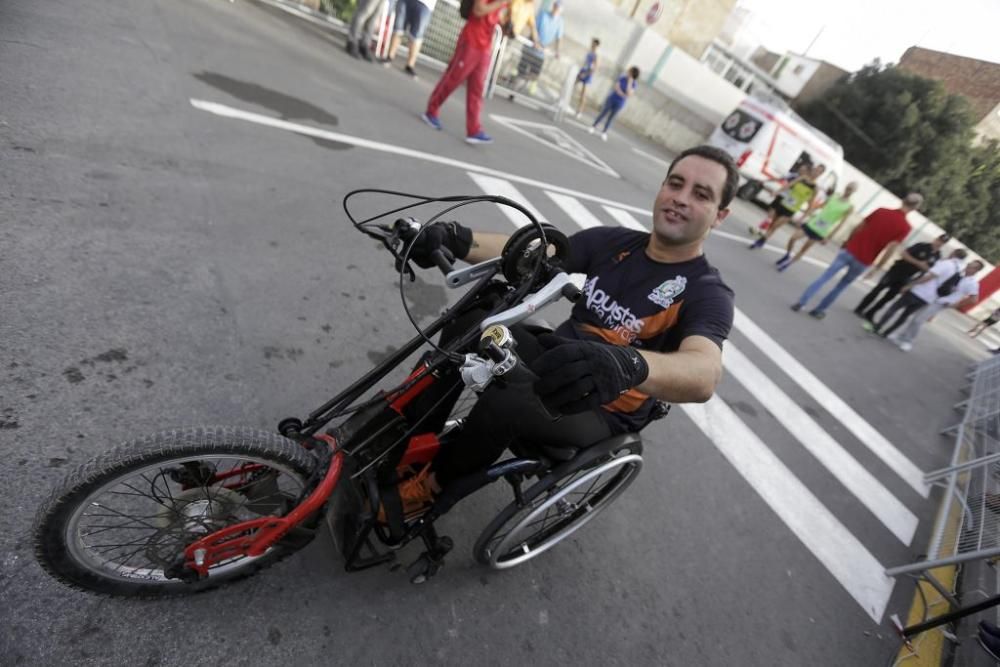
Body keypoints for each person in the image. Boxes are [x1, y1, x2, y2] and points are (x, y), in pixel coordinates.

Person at [385, 145, 738, 517]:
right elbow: (527, 252)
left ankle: (431, 487)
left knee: (511, 398)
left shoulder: (707, 292)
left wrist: (629, 364)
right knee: (478, 316)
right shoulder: (613, 243)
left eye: (701, 195)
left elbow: (704, 372)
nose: (680, 199)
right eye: (676, 184)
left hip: (601, 405)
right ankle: (411, 436)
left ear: (720, 215)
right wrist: (454, 239)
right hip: (557, 357)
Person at [791, 193, 923, 319]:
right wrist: (878, 267)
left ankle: (801, 302)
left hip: (851, 249)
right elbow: (891, 249)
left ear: (903, 200)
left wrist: (848, 241)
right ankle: (819, 310)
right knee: (841, 286)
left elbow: (859, 227)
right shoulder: (905, 227)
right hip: (865, 260)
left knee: (825, 277)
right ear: (915, 208)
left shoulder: (881, 211)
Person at [421, 0, 509, 144]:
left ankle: (474, 130)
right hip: (471, 40)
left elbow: (494, 15)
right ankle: (431, 110)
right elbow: (478, 10)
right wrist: (500, 3)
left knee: (477, 89)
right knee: (453, 79)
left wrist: (504, 24)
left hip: (485, 46)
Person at [863, 248, 967, 340]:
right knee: (905, 315)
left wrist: (910, 285)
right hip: (930, 297)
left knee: (894, 308)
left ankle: (877, 327)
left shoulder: (946, 264)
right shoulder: (958, 271)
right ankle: (887, 333)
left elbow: (929, 277)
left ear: (954, 253)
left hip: (920, 290)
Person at [886, 259, 983, 352]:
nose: (968, 267)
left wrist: (955, 304)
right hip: (932, 297)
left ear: (976, 270)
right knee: (915, 318)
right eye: (969, 264)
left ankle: (908, 341)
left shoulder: (972, 283)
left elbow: (974, 299)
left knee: (918, 320)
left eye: (972, 267)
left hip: (941, 302)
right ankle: (902, 336)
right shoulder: (958, 273)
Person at [854, 233, 949, 324]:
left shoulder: (937, 256)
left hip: (908, 277)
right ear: (935, 239)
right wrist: (917, 263)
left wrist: (919, 275)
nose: (939, 243)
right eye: (939, 240)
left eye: (942, 242)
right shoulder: (922, 246)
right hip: (897, 271)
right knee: (878, 289)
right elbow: (904, 254)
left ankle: (870, 313)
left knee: (889, 297)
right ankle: (860, 308)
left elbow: (931, 270)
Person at [775, 182, 857, 272]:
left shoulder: (849, 207)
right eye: (848, 187)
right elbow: (819, 206)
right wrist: (804, 217)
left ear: (854, 192)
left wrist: (828, 238)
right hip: (812, 223)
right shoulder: (834, 196)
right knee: (793, 238)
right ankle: (788, 254)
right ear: (845, 187)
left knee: (804, 249)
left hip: (822, 230)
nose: (848, 190)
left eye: (851, 189)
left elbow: (841, 224)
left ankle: (787, 264)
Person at [748, 163, 824, 250]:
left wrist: (803, 217)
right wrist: (777, 192)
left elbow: (810, 204)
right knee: (772, 224)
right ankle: (763, 240)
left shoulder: (815, 188)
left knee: (775, 225)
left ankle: (760, 241)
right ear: (814, 169)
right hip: (784, 203)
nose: (816, 172)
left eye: (819, 172)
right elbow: (789, 185)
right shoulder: (802, 178)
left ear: (820, 174)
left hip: (791, 209)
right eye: (816, 170)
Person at [382, 0, 438, 78]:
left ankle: (410, 65)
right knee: (398, 27)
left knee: (417, 35)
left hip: (426, 4)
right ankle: (389, 57)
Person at [588, 66, 639, 142]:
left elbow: (629, 93)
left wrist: (629, 82)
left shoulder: (634, 84)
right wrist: (622, 94)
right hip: (612, 98)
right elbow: (617, 87)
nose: (628, 72)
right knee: (603, 113)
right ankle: (593, 126)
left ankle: (604, 132)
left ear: (632, 74)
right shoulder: (622, 78)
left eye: (630, 71)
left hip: (620, 103)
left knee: (611, 117)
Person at [573, 38, 600, 118]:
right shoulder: (590, 52)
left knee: (583, 94)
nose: (592, 45)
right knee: (571, 85)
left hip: (588, 74)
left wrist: (587, 74)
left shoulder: (596, 55)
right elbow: (586, 63)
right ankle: (563, 100)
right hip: (583, 70)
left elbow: (595, 67)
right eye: (592, 43)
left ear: (597, 45)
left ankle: (580, 111)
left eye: (594, 44)